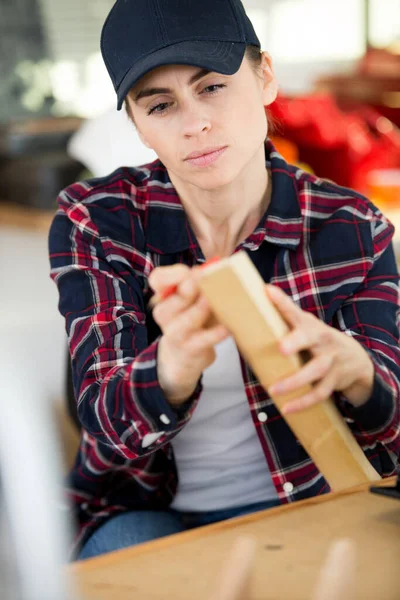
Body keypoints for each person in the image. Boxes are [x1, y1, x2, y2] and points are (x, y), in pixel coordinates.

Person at [49, 0, 400, 561]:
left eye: (212, 87)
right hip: (145, 509)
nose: (195, 123)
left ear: (264, 77)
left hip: (319, 497)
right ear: (138, 126)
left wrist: (360, 374)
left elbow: (393, 433)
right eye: (160, 105)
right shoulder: (95, 218)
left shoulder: (352, 226)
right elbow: (107, 427)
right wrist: (173, 366)